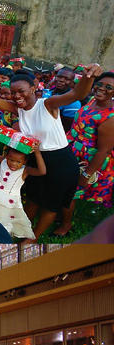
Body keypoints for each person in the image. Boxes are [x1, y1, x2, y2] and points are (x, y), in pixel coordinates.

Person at [0, 65, 102, 242]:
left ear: (34, 89)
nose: (17, 96)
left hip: (60, 161)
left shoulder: (47, 104)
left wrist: (89, 77)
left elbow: (76, 95)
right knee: (33, 199)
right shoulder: (17, 108)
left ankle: (34, 237)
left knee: (50, 205)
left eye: (21, 91)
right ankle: (21, 227)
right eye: (13, 92)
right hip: (35, 158)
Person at [59, 71, 114, 235]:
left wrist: (87, 174)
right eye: (100, 84)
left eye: (109, 87)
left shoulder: (110, 117)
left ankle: (66, 225)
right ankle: (59, 214)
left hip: (86, 160)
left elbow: (104, 150)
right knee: (63, 187)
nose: (102, 89)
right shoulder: (92, 100)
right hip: (71, 149)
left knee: (70, 192)